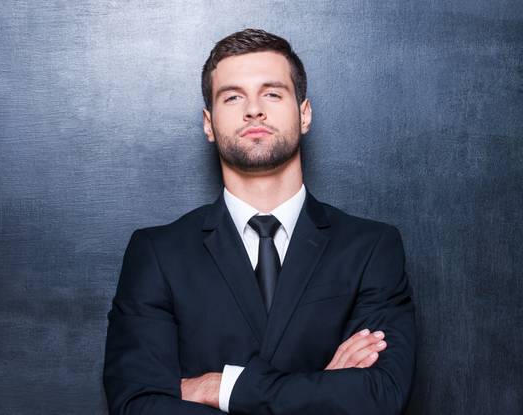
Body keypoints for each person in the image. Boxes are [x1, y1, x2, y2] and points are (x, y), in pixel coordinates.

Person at [103, 28, 415, 415]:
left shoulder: (370, 248)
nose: (253, 109)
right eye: (233, 97)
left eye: (272, 93)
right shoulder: (157, 253)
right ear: (208, 123)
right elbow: (138, 405)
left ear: (304, 114)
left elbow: (378, 397)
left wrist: (223, 388)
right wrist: (325, 391)